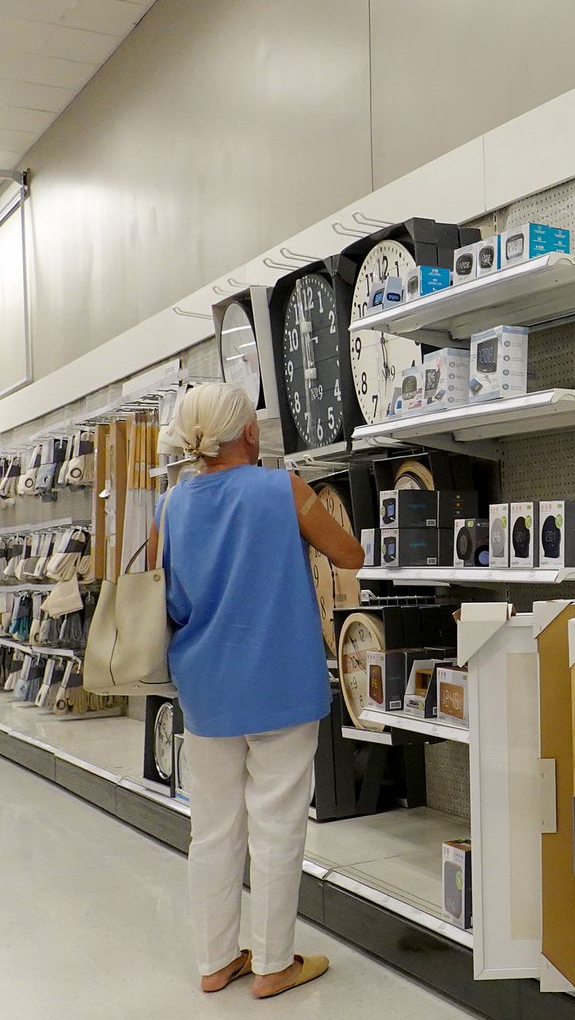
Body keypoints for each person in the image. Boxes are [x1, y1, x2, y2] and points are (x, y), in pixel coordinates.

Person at [151, 383, 364, 999]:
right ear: (249, 432)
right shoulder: (281, 489)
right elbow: (347, 553)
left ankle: (216, 961)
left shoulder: (172, 505)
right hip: (279, 681)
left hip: (205, 687)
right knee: (277, 825)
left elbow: (170, 592)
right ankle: (274, 964)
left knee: (212, 828)